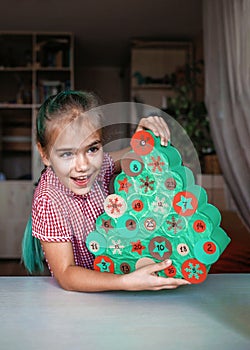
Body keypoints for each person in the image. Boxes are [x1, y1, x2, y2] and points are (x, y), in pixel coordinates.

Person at [22, 90, 190, 292]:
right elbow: (66, 274)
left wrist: (143, 138)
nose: (83, 165)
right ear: (45, 155)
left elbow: (132, 155)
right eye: (67, 153)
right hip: (81, 300)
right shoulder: (49, 199)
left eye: (92, 149)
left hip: (115, 286)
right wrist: (125, 282)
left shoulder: (96, 169)